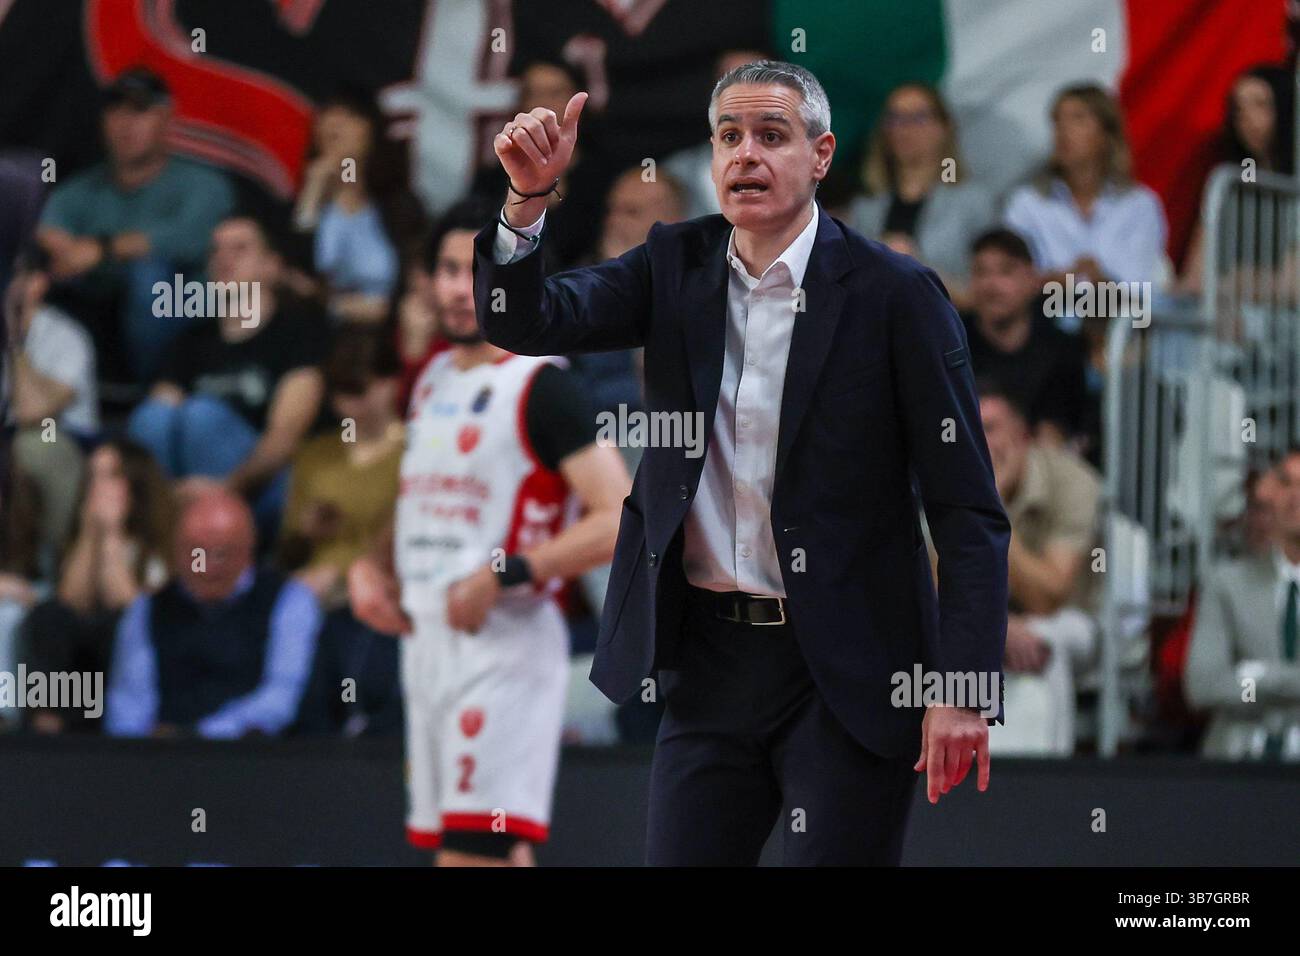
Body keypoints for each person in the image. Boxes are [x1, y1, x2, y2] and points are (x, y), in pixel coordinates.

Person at [477, 59, 1009, 865]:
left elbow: (968, 511)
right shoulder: (671, 264)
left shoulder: (896, 292)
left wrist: (962, 688)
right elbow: (529, 322)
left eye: (771, 135)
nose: (745, 155)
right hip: (708, 663)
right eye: (729, 136)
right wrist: (526, 204)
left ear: (821, 155)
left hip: (851, 668)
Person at [347, 198, 631, 867]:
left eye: (472, 271)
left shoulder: (544, 388)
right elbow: (421, 495)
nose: (454, 288)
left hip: (502, 650)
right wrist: (371, 565)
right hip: (430, 650)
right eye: (444, 270)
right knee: (492, 852)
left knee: (470, 854)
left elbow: (621, 516)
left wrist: (506, 571)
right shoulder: (433, 380)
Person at [35, 67, 235, 394]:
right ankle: (67, 395)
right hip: (106, 311)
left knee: (149, 275)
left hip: (194, 309)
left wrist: (103, 248)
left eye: (140, 111)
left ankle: (157, 392)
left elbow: (190, 240)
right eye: (115, 111)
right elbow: (46, 222)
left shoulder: (202, 183)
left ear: (167, 120)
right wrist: (62, 249)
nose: (125, 123)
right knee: (37, 274)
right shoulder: (87, 186)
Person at [127, 215, 328, 536]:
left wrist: (225, 491)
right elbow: (155, 418)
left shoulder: (299, 332)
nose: (223, 258)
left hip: (261, 487)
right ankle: (163, 538)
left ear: (271, 266)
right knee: (150, 419)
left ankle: (205, 531)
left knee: (201, 416)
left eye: (240, 249)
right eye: (216, 251)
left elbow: (285, 437)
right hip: (185, 491)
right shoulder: (193, 338)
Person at [105, 488, 321, 739]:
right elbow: (128, 703)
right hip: (162, 762)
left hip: (255, 761)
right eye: (193, 551)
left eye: (219, 553)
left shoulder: (289, 601)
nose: (202, 565)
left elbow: (281, 697)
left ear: (247, 548)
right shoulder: (148, 608)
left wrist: (201, 735)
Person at [281, 327, 405, 738]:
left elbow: (407, 546)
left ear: (389, 385)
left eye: (359, 391)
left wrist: (343, 576)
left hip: (377, 594)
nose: (347, 405)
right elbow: (286, 551)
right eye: (340, 394)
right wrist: (304, 532)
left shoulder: (418, 453)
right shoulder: (315, 455)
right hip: (307, 592)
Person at [977, 383, 1100, 755]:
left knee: (1042, 643)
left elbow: (1048, 597)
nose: (980, 442)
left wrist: (988, 512)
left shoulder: (1073, 481)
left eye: (991, 428)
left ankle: (1045, 778)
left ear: (1024, 436)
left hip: (1073, 621)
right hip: (985, 621)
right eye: (970, 428)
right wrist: (994, 626)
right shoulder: (947, 480)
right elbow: (936, 587)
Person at [20, 439, 172, 734]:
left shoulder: (159, 545)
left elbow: (133, 611)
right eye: (93, 477)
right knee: (49, 615)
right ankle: (46, 721)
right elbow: (69, 601)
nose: (98, 488)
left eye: (111, 476)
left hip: (132, 666)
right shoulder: (79, 539)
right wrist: (91, 532)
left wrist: (112, 534)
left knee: (121, 624)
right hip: (79, 671)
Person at [1185, 449, 1300, 760]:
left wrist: (1259, 675)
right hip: (1239, 761)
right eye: (1286, 484)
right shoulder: (1227, 582)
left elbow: (1234, 683)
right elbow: (1204, 686)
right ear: (1270, 496)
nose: (1295, 497)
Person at [1004, 84, 1168, 296]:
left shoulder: (1139, 205)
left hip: (1118, 322)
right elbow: (1012, 276)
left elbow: (1142, 284)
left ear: (1106, 135)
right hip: (1046, 321)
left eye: (1078, 119)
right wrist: (1066, 279)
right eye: (1057, 121)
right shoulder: (1027, 203)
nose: (1063, 130)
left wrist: (1096, 281)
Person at [848, 83, 996, 309]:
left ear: (943, 127)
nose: (904, 128)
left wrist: (915, 265)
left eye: (918, 117)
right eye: (895, 118)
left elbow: (991, 296)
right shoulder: (866, 207)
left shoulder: (972, 202)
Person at [3, 246, 99, 569]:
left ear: (37, 284)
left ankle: (60, 565)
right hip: (9, 436)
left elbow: (34, 412)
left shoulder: (66, 336)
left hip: (60, 434)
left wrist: (13, 343)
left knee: (33, 444)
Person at [292, 94, 416, 322]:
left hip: (386, 338)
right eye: (327, 115)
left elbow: (416, 281)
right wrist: (312, 193)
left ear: (371, 132)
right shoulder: (302, 202)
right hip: (319, 338)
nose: (335, 123)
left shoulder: (399, 205)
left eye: (349, 115)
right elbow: (294, 276)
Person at [962, 228, 1087, 446]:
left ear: (1033, 281)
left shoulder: (1062, 350)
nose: (991, 285)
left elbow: (1055, 435)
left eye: (1005, 272)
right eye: (981, 272)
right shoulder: (951, 346)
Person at [1178, 64, 1295, 296]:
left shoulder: (1292, 189)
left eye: (1261, 105)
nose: (1247, 118)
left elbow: (1293, 285)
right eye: (1239, 108)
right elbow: (1194, 278)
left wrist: (1235, 282)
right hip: (1226, 321)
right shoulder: (1227, 185)